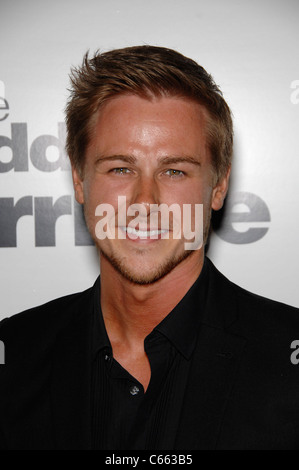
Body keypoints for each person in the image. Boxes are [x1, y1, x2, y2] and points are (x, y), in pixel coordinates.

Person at [0, 45, 298, 451]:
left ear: (219, 185)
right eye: (121, 168)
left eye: (174, 171)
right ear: (79, 180)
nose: (145, 201)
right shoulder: (13, 355)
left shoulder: (287, 358)